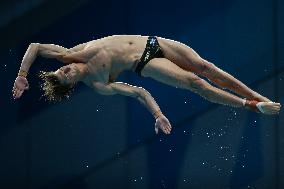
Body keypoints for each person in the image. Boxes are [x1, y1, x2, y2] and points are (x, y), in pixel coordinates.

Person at [12, 35, 281, 134]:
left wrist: (23, 74)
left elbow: (35, 46)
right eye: (65, 76)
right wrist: (158, 114)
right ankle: (250, 106)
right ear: (71, 84)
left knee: (206, 67)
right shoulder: (99, 83)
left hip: (154, 42)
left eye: (60, 70)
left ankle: (260, 98)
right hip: (145, 63)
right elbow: (139, 92)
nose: (66, 69)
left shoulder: (68, 53)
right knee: (195, 82)